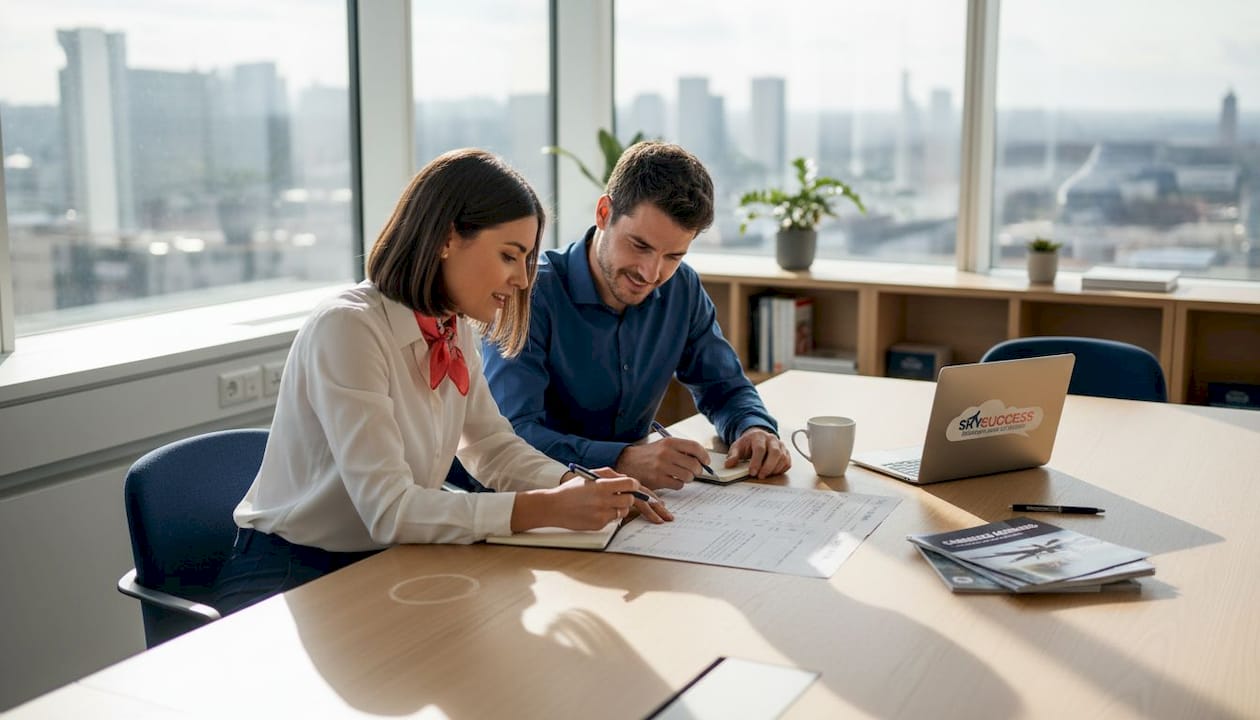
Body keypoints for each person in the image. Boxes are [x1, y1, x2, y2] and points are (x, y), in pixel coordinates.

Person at [213, 149, 671, 616]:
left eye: (527, 258)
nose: (522, 278)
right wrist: (547, 508)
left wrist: (582, 485)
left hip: (388, 559)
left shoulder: (454, 327)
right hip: (291, 574)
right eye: (509, 256)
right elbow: (389, 510)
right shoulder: (348, 328)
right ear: (448, 238)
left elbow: (491, 447)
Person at [482, 141, 791, 490]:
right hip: (524, 503)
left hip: (622, 506)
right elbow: (511, 437)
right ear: (603, 214)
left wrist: (754, 427)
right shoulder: (529, 293)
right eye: (639, 246)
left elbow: (725, 387)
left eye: (673, 256)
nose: (651, 272)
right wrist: (621, 458)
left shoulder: (682, 288)